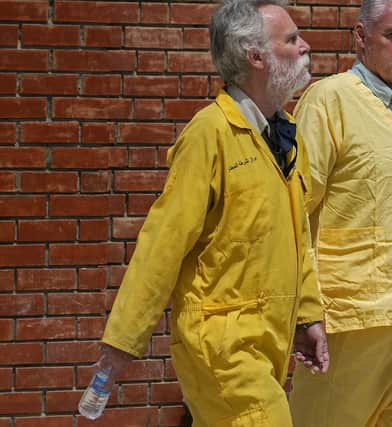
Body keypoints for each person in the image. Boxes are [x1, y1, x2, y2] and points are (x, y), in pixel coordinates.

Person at [95, 1, 329, 425]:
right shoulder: (210, 133)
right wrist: (124, 339)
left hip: (265, 342)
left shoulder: (285, 137)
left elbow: (297, 238)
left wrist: (307, 315)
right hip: (222, 344)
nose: (305, 46)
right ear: (254, 56)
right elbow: (164, 239)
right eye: (292, 39)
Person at [288, 0, 392, 425]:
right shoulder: (329, 101)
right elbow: (293, 213)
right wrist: (304, 310)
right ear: (361, 37)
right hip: (349, 322)